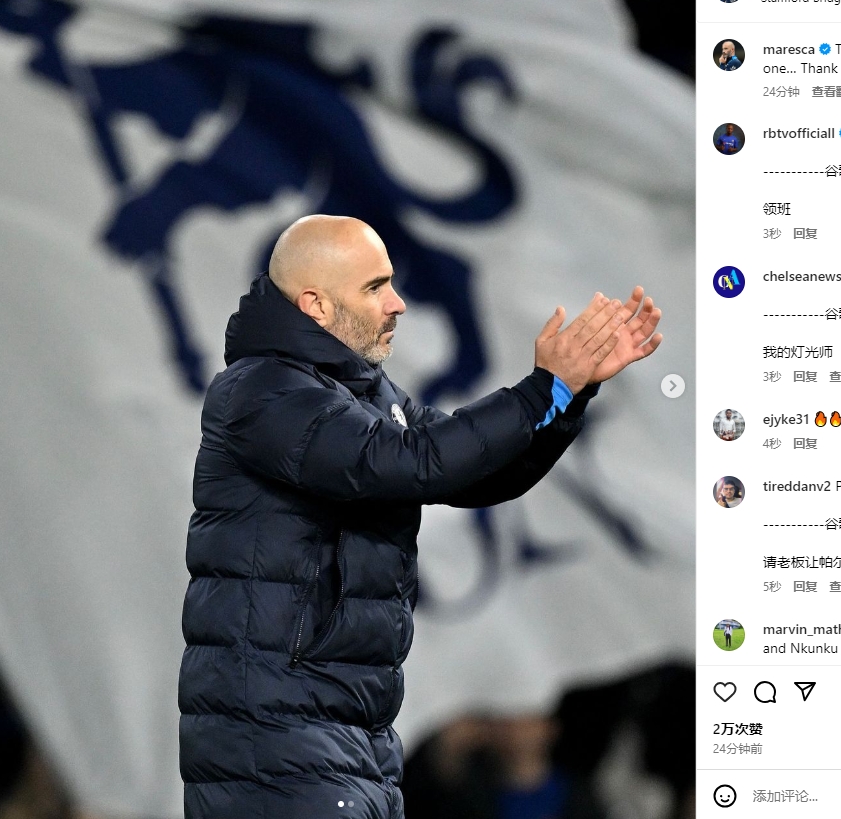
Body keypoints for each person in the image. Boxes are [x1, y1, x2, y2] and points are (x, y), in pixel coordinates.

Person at [177, 215, 663, 819]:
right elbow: (405, 463)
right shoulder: (263, 390)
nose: (397, 303)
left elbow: (478, 473)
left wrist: (568, 395)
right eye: (375, 287)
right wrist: (542, 389)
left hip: (348, 727)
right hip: (274, 733)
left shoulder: (365, 394)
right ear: (316, 305)